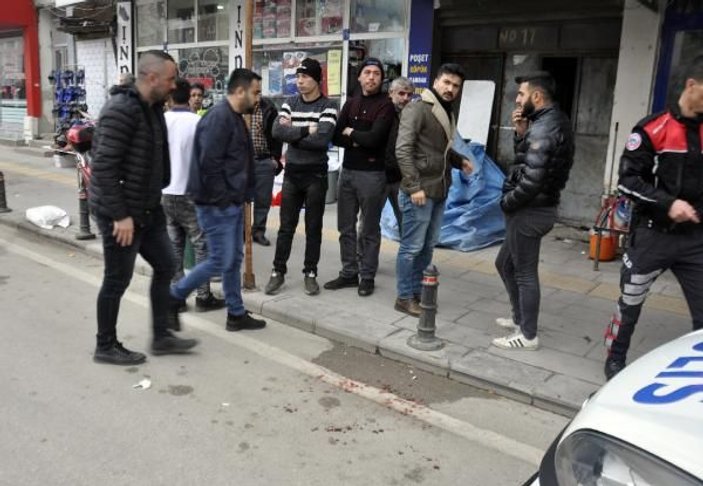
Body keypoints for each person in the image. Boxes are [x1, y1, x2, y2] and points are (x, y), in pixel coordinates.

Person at [90, 50, 199, 365]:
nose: (174, 83)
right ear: (152, 77)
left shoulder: (152, 108)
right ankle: (105, 345)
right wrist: (120, 216)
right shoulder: (120, 110)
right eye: (170, 78)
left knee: (166, 265)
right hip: (121, 215)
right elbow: (105, 169)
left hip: (149, 208)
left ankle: (161, 335)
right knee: (116, 279)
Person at [604, 56, 703, 380]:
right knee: (630, 303)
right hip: (651, 236)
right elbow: (627, 182)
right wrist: (668, 204)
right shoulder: (651, 128)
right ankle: (615, 358)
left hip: (694, 241)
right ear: (692, 85)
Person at [170, 68, 267, 332]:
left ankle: (235, 313)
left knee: (232, 260)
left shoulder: (234, 117)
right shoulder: (219, 118)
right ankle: (174, 296)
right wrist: (225, 200)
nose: (258, 98)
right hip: (217, 206)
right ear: (239, 91)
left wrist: (243, 197)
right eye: (255, 92)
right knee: (219, 261)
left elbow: (235, 163)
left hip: (230, 204)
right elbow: (208, 166)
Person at [492, 71, 574, 351]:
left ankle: (527, 335)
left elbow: (532, 180)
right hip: (536, 207)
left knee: (524, 273)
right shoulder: (549, 122)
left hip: (530, 211)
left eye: (521, 94)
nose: (517, 99)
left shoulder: (544, 127)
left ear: (537, 97)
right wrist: (520, 134)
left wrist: (506, 202)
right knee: (504, 264)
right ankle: (520, 318)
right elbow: (527, 161)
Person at [394, 65, 473, 316]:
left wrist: (459, 161)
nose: (450, 89)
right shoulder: (417, 108)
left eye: (456, 86)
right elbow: (403, 150)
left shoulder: (446, 111)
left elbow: (439, 150)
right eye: (446, 83)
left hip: (439, 189)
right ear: (436, 82)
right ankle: (404, 297)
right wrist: (413, 186)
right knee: (411, 247)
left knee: (428, 246)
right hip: (419, 192)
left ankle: (417, 291)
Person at [264, 58, 338, 296]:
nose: (300, 80)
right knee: (286, 227)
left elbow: (322, 140)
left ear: (317, 79)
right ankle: (278, 272)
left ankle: (310, 273)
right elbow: (277, 131)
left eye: (305, 76)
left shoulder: (328, 105)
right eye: (298, 76)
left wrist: (293, 133)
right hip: (292, 174)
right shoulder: (290, 102)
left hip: (316, 174)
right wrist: (307, 129)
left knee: (313, 227)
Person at [325, 58, 395, 297]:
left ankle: (367, 276)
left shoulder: (386, 105)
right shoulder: (350, 103)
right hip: (348, 172)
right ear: (359, 77)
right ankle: (348, 272)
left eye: (377, 73)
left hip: (373, 175)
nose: (372, 77)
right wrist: (359, 137)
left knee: (369, 230)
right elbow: (336, 137)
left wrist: (352, 133)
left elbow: (375, 139)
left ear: (381, 78)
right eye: (367, 72)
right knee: (345, 226)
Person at [162, 78, 225, 313]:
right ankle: (203, 295)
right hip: (191, 193)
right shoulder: (197, 122)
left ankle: (177, 296)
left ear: (169, 97)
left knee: (175, 245)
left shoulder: (161, 122)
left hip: (166, 192)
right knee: (202, 245)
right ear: (188, 96)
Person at [251, 96, 283, 246]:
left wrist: (275, 159)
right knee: (241, 200)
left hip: (264, 160)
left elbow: (277, 136)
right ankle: (242, 232)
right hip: (243, 161)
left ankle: (258, 232)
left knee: (263, 200)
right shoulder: (239, 106)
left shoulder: (269, 108)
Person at [385, 76, 415, 234]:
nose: (405, 98)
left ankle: (408, 258)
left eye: (409, 95)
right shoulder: (382, 113)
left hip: (400, 179)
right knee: (369, 221)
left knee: (406, 220)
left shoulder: (411, 116)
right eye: (401, 93)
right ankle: (362, 257)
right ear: (391, 93)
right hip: (379, 176)